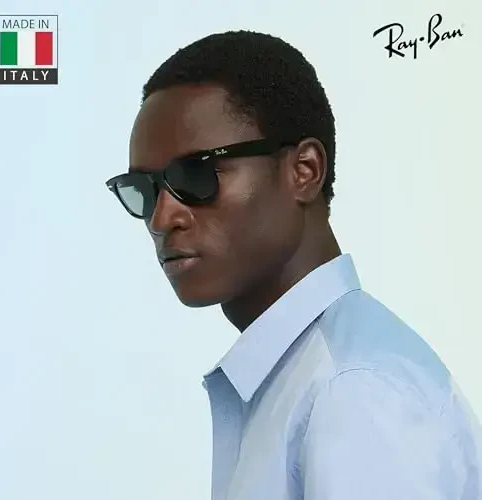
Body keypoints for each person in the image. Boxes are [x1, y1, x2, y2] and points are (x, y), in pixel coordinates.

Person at [106, 30, 482, 500]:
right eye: (143, 190)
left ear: (304, 171)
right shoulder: (304, 378)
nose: (162, 218)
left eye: (196, 175)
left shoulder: (353, 393)